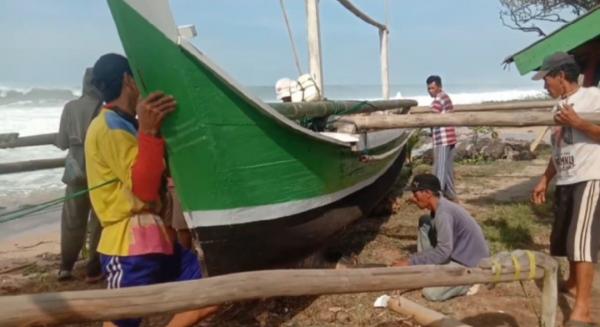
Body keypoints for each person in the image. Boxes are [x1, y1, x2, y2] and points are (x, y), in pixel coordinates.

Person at [85, 53, 217, 327]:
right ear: (127, 80)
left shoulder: (124, 122)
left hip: (157, 240)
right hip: (128, 245)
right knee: (122, 322)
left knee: (209, 293)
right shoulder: (109, 126)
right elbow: (144, 189)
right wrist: (147, 131)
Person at [530, 52, 600, 327]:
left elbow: (585, 129)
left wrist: (580, 123)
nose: (544, 85)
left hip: (590, 176)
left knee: (582, 243)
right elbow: (558, 148)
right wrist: (545, 178)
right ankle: (572, 282)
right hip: (567, 178)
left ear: (561, 75)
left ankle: (581, 310)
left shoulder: (593, 97)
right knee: (567, 238)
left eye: (546, 78)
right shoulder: (557, 106)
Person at [393, 174, 489, 302]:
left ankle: (469, 283)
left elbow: (443, 251)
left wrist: (410, 261)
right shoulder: (439, 205)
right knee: (425, 221)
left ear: (427, 193)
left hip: (470, 264)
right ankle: (424, 269)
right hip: (456, 252)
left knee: (431, 293)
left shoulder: (444, 213)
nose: (413, 198)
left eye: (416, 194)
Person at [55, 68, 103, 282]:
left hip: (75, 168)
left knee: (72, 220)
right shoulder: (104, 109)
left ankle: (66, 267)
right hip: (98, 167)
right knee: (99, 220)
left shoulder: (70, 107)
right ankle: (94, 268)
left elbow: (62, 142)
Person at [426, 75, 457, 201]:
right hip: (449, 137)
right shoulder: (445, 96)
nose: (430, 91)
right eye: (428, 88)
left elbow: (432, 112)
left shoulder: (439, 98)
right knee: (448, 169)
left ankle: (437, 196)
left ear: (439, 87)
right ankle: (451, 194)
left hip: (443, 138)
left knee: (440, 168)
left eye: (432, 88)